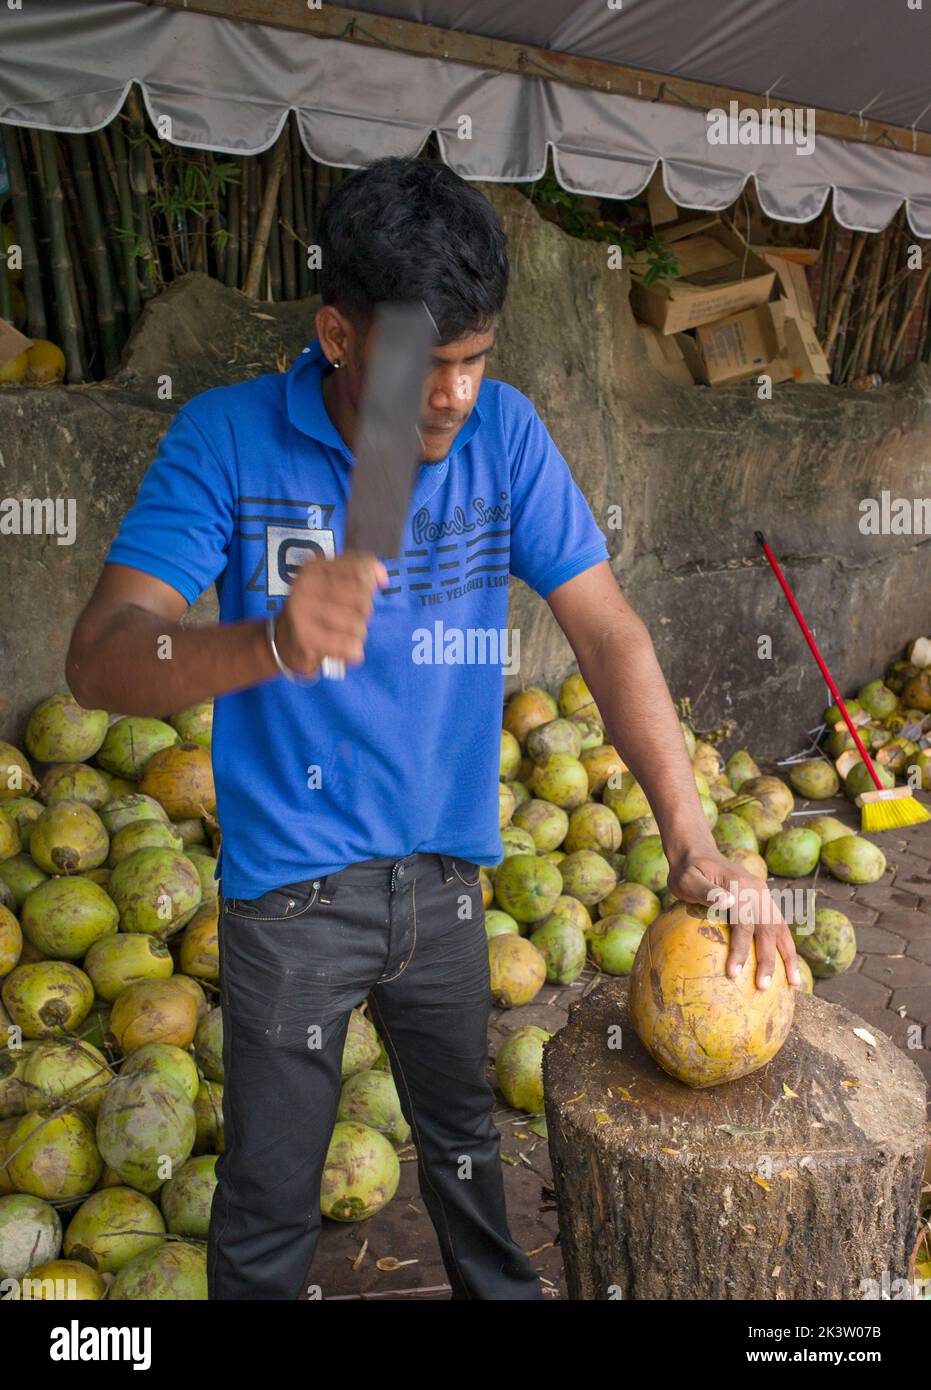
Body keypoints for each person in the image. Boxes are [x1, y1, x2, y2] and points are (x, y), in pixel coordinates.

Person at [66, 156, 799, 1302]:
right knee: (265, 1207)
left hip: (449, 889)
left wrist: (694, 841)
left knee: (468, 1166)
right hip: (292, 903)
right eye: (428, 364)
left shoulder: (503, 436)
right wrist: (262, 644)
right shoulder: (226, 442)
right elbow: (102, 656)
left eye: (475, 358)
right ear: (339, 335)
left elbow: (608, 636)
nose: (454, 394)